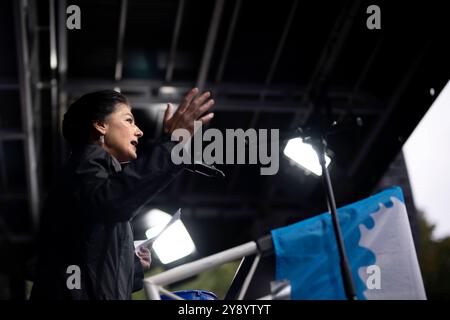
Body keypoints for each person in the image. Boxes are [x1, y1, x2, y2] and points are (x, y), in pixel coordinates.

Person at [30, 88, 215, 299]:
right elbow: (111, 202)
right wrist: (172, 144)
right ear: (100, 125)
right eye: (129, 120)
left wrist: (132, 265)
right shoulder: (84, 167)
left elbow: (91, 268)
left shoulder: (93, 183)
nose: (139, 131)